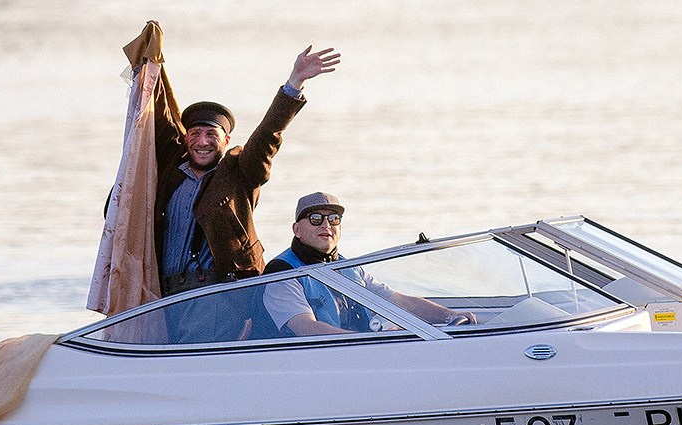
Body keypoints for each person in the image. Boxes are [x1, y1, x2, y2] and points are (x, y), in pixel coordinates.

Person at [154, 45, 340, 298]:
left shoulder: (239, 173)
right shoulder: (169, 175)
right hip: (165, 298)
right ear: (186, 139)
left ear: (226, 140)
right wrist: (147, 69)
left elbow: (267, 136)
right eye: (195, 134)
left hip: (222, 295)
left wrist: (294, 83)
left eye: (211, 134)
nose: (202, 141)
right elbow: (157, 121)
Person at [259, 193, 470, 336]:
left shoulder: (348, 267)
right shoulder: (282, 273)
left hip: (353, 355)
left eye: (334, 219)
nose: (326, 225)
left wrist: (449, 315)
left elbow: (399, 301)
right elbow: (306, 328)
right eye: (316, 218)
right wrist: (368, 340)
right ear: (297, 229)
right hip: (304, 366)